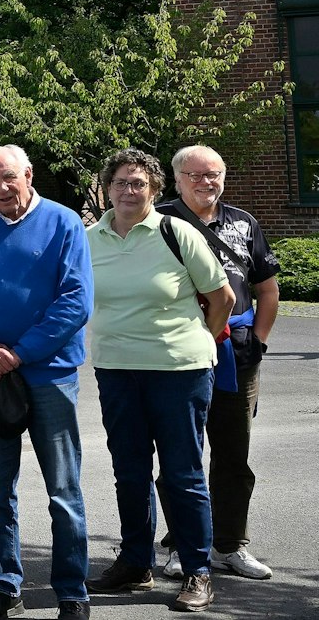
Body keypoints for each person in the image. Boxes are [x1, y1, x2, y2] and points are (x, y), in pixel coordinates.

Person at [0, 145, 93, 620]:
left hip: (48, 376)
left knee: (63, 491)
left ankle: (72, 590)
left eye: (8, 177)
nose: (1, 188)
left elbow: (76, 300)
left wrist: (20, 352)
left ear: (28, 174)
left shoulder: (65, 222)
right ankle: (6, 583)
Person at [84, 150, 232, 613]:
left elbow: (222, 297)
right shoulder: (89, 239)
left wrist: (198, 344)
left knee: (183, 474)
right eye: (122, 183)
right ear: (107, 189)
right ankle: (135, 563)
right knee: (128, 471)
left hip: (178, 372)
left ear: (154, 189)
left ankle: (197, 571)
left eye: (140, 184)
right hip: (116, 370)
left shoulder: (177, 232)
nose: (130, 191)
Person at [155, 143, 280, 581]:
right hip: (176, 359)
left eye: (214, 174)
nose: (207, 182)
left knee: (232, 454)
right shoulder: (159, 222)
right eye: (196, 175)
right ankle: (181, 545)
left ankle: (230, 545)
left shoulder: (244, 223)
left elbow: (267, 289)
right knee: (179, 457)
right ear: (177, 179)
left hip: (237, 359)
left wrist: (259, 343)